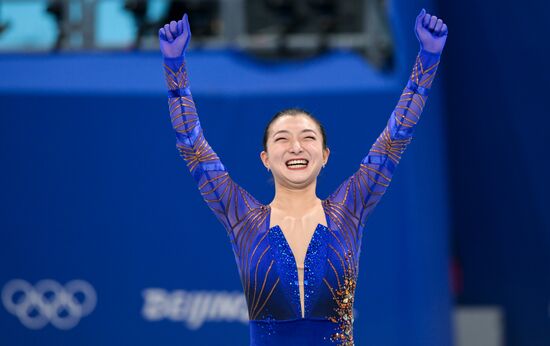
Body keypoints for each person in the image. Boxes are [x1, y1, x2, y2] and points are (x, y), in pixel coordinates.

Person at [159, 8, 447, 346]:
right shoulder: (243, 219)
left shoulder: (349, 210)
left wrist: (427, 59)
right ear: (265, 158)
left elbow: (395, 138)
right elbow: (193, 146)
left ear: (324, 156)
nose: (296, 147)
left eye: (308, 138)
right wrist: (174, 65)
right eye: (282, 139)